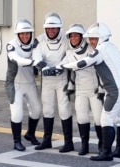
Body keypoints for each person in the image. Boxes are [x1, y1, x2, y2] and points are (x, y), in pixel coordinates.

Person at [46, 22, 120, 161]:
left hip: (114, 90)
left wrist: (62, 66)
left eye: (94, 38)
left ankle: (106, 153)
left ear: (102, 37)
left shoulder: (100, 51)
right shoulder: (112, 47)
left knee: (105, 120)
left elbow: (82, 63)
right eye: (90, 38)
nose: (91, 41)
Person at [51, 23, 103, 156]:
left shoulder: (92, 49)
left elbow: (101, 69)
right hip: (80, 91)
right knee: (82, 118)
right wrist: (49, 69)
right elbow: (62, 66)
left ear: (81, 37)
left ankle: (102, 146)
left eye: (76, 36)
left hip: (94, 90)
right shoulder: (69, 53)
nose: (73, 38)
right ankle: (84, 146)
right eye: (71, 36)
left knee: (98, 119)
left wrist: (102, 86)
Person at [32, 12, 74, 153]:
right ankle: (46, 140)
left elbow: (70, 54)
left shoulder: (66, 40)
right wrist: (42, 65)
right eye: (48, 28)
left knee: (64, 109)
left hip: (62, 78)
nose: (51, 31)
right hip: (47, 79)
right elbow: (36, 54)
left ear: (59, 28)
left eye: (54, 28)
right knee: (47, 109)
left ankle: (69, 143)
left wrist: (60, 66)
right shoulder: (40, 40)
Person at [5, 18, 43, 151]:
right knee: (17, 114)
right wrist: (33, 62)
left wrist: (36, 61)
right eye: (22, 33)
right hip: (15, 84)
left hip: (30, 82)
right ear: (17, 34)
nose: (25, 36)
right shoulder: (11, 45)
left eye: (27, 33)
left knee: (37, 110)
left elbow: (38, 57)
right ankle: (17, 141)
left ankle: (30, 134)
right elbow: (17, 60)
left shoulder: (35, 43)